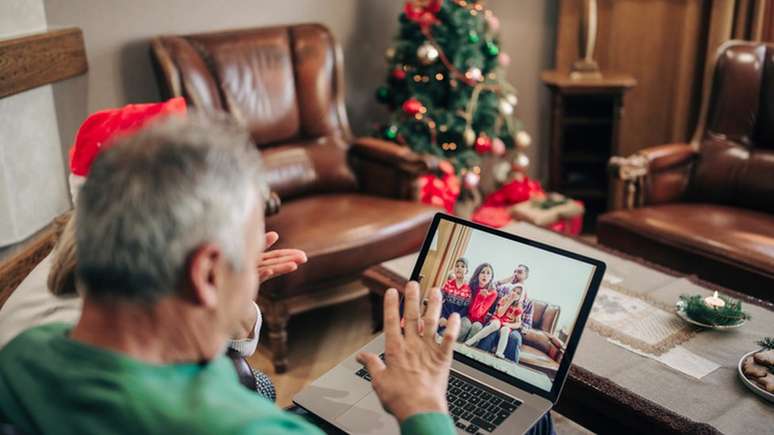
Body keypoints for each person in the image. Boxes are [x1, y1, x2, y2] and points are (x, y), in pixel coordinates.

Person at [0, 113, 460, 435]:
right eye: (252, 241)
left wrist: (230, 303)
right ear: (206, 273)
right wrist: (423, 408)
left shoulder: (23, 357)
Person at [464, 283, 525, 360]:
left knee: (505, 330)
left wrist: (508, 325)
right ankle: (473, 340)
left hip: (506, 324)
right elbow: (499, 314)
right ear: (510, 291)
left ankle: (499, 352)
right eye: (514, 291)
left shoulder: (518, 308)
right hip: (497, 319)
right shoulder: (504, 299)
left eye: (518, 293)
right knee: (496, 325)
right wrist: (509, 301)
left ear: (520, 297)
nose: (514, 293)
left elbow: (518, 323)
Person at [459, 262, 498, 342]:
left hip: (479, 320)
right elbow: (470, 311)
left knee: (476, 327)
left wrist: (480, 298)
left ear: (491, 277)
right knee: (465, 324)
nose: (485, 275)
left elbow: (477, 315)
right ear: (478, 274)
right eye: (482, 272)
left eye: (488, 273)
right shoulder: (471, 286)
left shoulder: (493, 293)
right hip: (467, 316)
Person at [438, 257, 471, 328]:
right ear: (454, 269)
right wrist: (442, 316)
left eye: (462, 266)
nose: (459, 268)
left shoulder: (468, 289)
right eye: (457, 266)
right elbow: (439, 300)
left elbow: (465, 309)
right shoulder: (448, 284)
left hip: (455, 319)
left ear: (467, 271)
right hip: (443, 316)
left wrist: (451, 320)